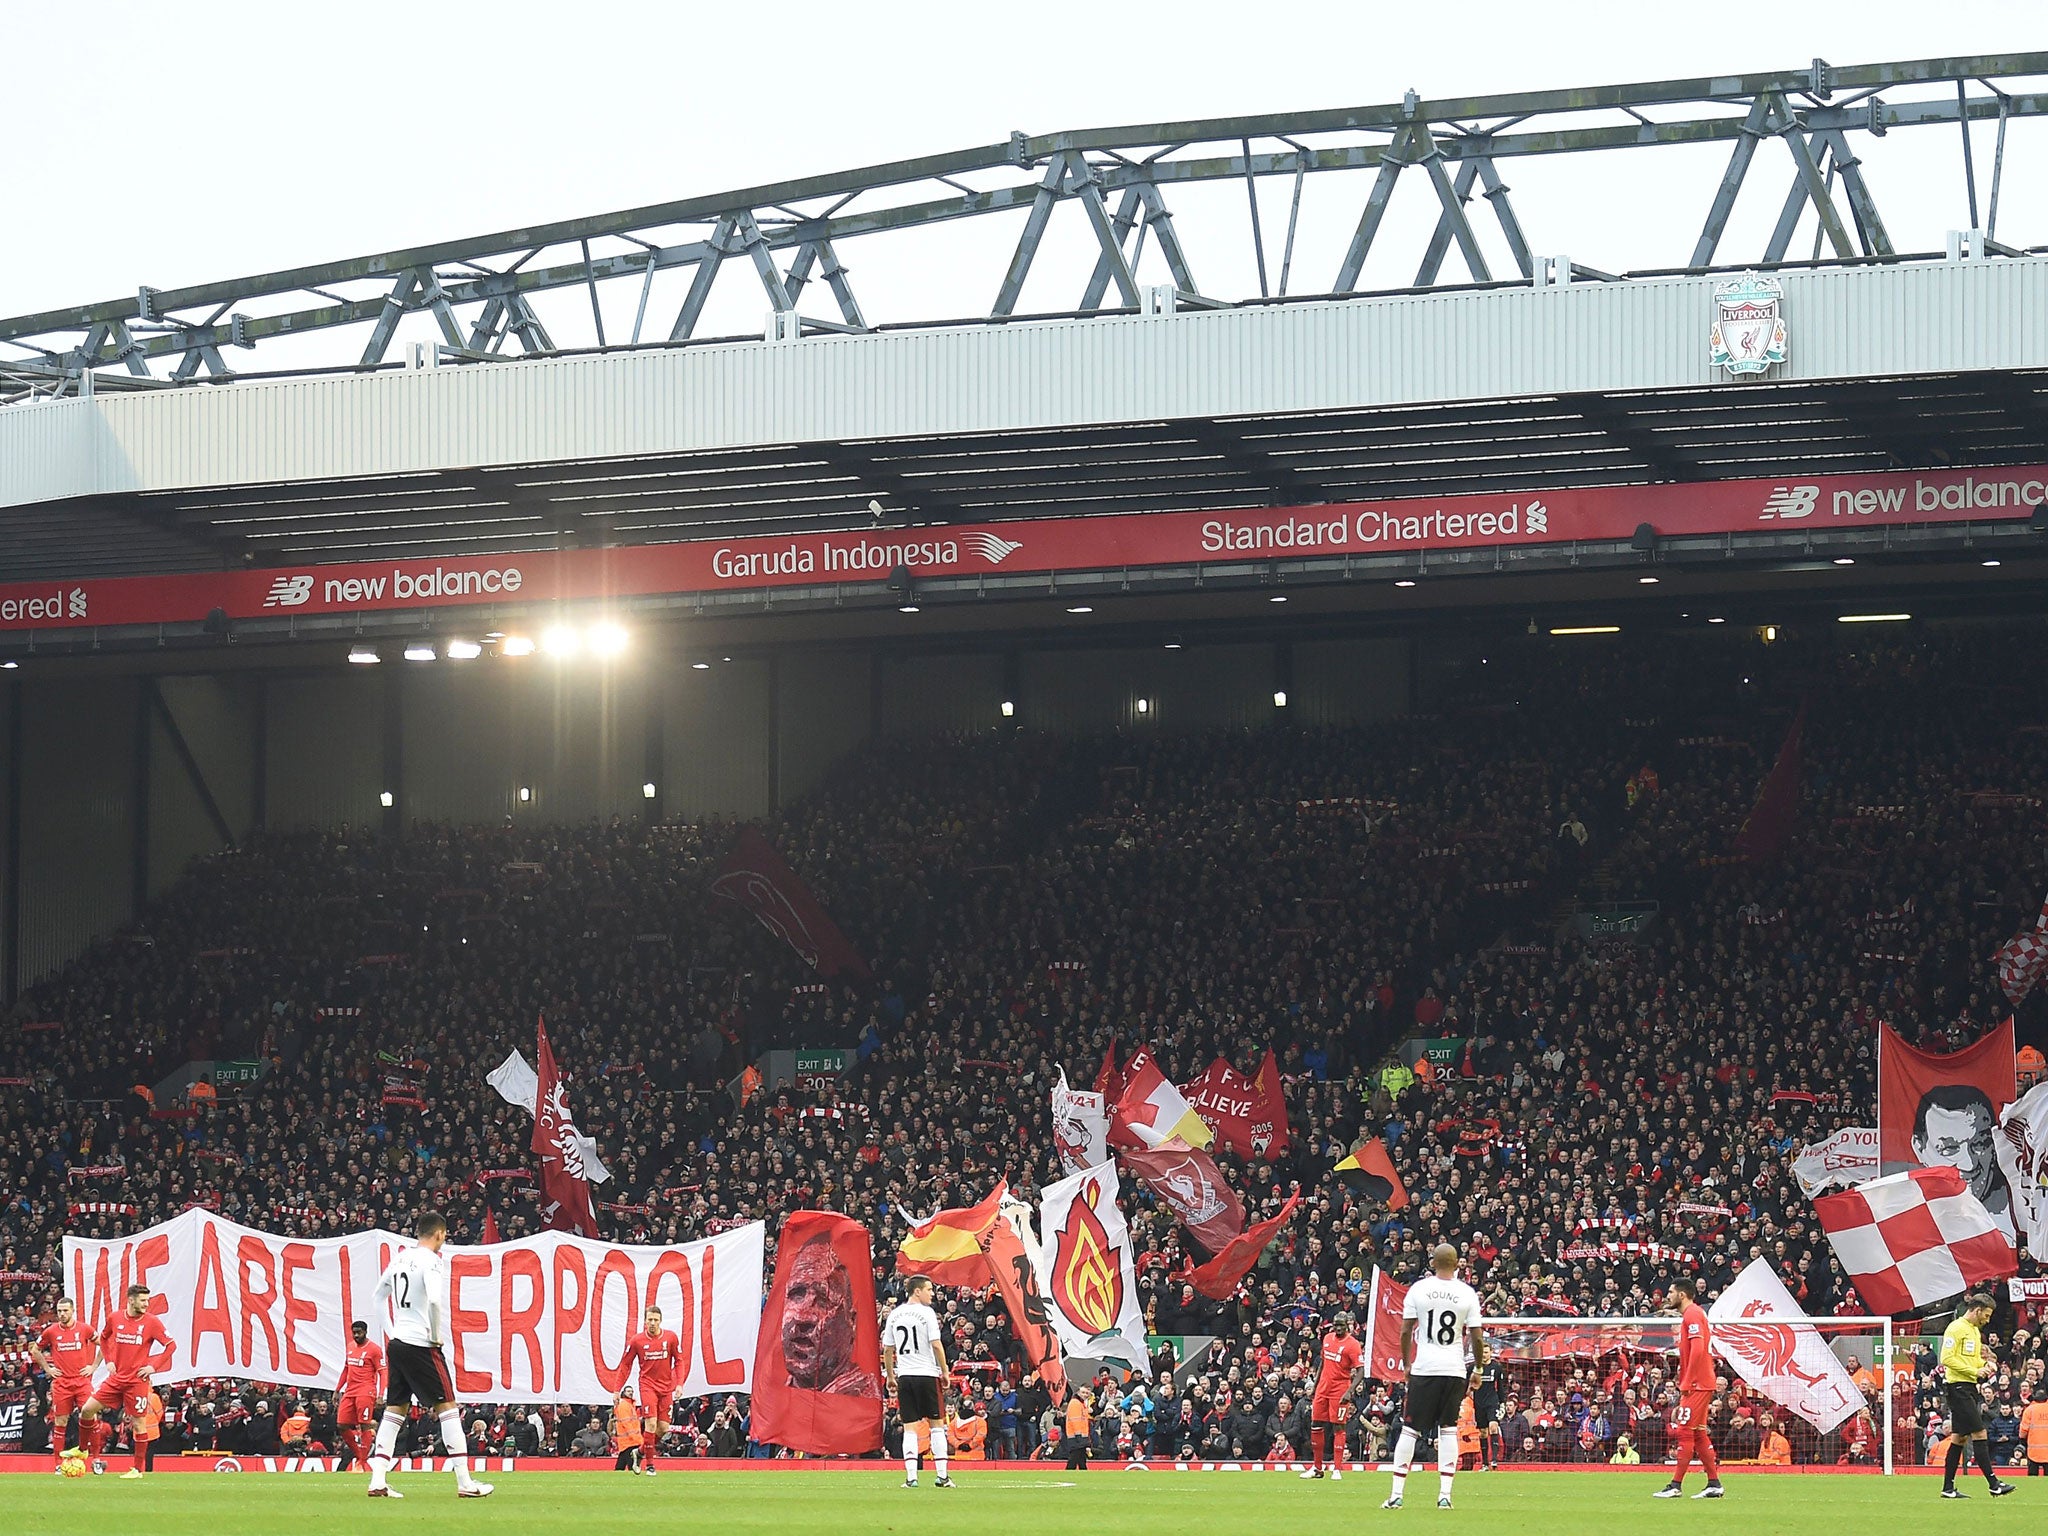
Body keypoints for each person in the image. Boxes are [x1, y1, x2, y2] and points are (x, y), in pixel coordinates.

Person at [365, 1210, 492, 1499]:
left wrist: (391, 1330)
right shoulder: (432, 1261)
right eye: (444, 1236)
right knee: (447, 1408)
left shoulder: (399, 1258)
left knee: (394, 1410)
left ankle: (377, 1481)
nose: (443, 1241)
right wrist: (435, 1336)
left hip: (398, 1343)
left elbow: (377, 1296)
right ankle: (465, 1483)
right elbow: (434, 1299)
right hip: (422, 1344)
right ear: (438, 1234)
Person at [1383, 1243, 1486, 1511]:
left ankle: (1396, 1495)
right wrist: (1478, 1369)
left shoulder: (1419, 1289)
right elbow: (1476, 1336)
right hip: (1453, 1369)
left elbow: (1406, 1331)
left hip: (1425, 1367)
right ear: (1457, 1263)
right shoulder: (1467, 1293)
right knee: (1449, 1429)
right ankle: (1445, 1495)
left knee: (1410, 1429)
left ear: (1432, 1262)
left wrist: (1407, 1364)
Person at [83, 1282, 174, 1479]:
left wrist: (153, 1367)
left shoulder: (152, 1322)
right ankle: (84, 1449)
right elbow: (105, 1338)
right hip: (116, 1378)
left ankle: (137, 1470)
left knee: (139, 1424)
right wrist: (109, 1361)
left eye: (147, 1300)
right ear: (131, 1300)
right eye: (143, 1300)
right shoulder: (115, 1318)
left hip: (137, 1381)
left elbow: (170, 1345)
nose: (146, 1304)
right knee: (87, 1409)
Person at [1938, 1293, 2016, 1499]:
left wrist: (1984, 1365)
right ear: (1977, 1310)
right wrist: (1974, 1372)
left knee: (1959, 1438)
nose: (1988, 1320)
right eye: (1987, 1315)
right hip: (1957, 1388)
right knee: (1980, 1433)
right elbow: (1946, 1358)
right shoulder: (1956, 1328)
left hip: (1968, 1387)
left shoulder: (1973, 1330)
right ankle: (1993, 1484)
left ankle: (1948, 1488)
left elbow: (1969, 1360)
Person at [1654, 1276, 1725, 1500]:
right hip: (1701, 1382)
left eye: (1671, 1292)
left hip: (1697, 1384)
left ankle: (1675, 1485)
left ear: (1681, 1295)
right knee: (1699, 1434)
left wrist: (1688, 1379)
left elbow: (1697, 1348)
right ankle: (1714, 1483)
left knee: (1684, 1432)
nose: (1668, 1296)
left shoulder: (1692, 1314)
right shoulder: (1692, 1314)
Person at [783, 1235, 881, 1396]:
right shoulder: (775, 1402)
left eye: (823, 1300)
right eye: (796, 1294)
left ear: (851, 1323)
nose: (803, 1316)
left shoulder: (861, 1403)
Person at [1912, 1086, 2012, 1232]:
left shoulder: (2018, 1210)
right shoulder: (1904, 1218)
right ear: (1919, 1147)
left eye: (1980, 1144)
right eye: (1950, 1149)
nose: (1969, 1164)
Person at [883, 1276, 952, 1489]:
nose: (932, 1293)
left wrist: (891, 1376)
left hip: (905, 1376)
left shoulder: (894, 1315)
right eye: (929, 1289)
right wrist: (945, 1371)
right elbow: (937, 1345)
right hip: (927, 1374)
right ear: (917, 1291)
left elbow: (887, 1349)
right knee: (937, 1426)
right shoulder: (927, 1313)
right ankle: (942, 1476)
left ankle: (911, 1477)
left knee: (910, 1427)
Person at [30, 1295, 98, 1472]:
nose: (62, 1314)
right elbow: (35, 1350)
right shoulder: (51, 1331)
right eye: (59, 1311)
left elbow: (105, 1343)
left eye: (65, 1310)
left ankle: (97, 1459)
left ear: (73, 1311)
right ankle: (58, 1464)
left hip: (82, 1381)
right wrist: (47, 1368)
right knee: (60, 1421)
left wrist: (93, 1366)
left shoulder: (84, 1329)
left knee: (91, 1415)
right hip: (61, 1383)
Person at [1302, 1309, 1362, 1480]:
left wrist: (1349, 1391)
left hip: (1340, 1389)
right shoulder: (1327, 1339)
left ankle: (1336, 1468)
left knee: (1338, 1426)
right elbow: (1323, 1362)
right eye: (1335, 1325)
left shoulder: (1353, 1345)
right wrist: (1315, 1385)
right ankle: (1317, 1468)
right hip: (1323, 1388)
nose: (1338, 1328)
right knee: (1316, 1424)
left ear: (1348, 1326)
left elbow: (1361, 1370)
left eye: (1341, 1325)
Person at [624, 1305, 683, 1476]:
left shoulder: (671, 1338)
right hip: (647, 1385)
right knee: (650, 1423)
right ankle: (650, 1465)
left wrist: (679, 1383)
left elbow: (679, 1361)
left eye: (655, 1320)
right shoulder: (637, 1341)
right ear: (645, 1321)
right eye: (649, 1319)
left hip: (666, 1388)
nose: (652, 1323)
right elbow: (625, 1364)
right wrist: (615, 1390)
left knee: (663, 1428)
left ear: (660, 1321)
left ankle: (640, 1452)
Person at [335, 1319, 385, 1471]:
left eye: (359, 1332)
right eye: (354, 1333)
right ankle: (360, 1455)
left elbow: (383, 1372)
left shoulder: (374, 1349)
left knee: (364, 1425)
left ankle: (361, 1462)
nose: (356, 1335)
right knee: (341, 1425)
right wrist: (337, 1389)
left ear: (365, 1332)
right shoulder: (350, 1347)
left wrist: (381, 1394)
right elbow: (346, 1369)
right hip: (350, 1391)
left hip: (366, 1390)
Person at [1062, 1382, 1092, 1471]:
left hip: (1079, 1436)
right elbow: (1076, 1422)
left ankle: (1083, 1474)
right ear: (1078, 1392)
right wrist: (1080, 1437)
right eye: (1083, 1392)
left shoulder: (1080, 1403)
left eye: (1087, 1393)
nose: (1085, 1395)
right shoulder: (1076, 1403)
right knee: (1074, 1460)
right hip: (1076, 1437)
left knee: (1080, 1459)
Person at [612, 1389, 643, 1473]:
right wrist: (636, 1438)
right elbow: (626, 1423)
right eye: (628, 1391)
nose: (631, 1393)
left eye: (632, 1391)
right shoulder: (625, 1405)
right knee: (632, 1466)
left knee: (620, 1466)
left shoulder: (629, 1405)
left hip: (627, 1441)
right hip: (630, 1441)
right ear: (623, 1393)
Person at [2020, 1388, 2048, 1476]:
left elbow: (2023, 1430)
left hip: (2034, 1450)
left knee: (2032, 1476)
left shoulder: (2029, 1410)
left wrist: (2022, 1439)